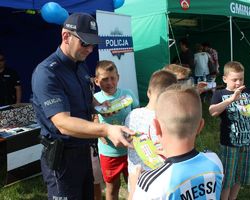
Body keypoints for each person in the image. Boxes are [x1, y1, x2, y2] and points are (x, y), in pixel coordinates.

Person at [31, 13, 134, 200]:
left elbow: (87, 98)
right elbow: (62, 122)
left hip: (85, 150)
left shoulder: (80, 65)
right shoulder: (47, 73)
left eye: (93, 44)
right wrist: (106, 129)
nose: (90, 49)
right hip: (62, 158)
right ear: (66, 37)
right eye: (85, 43)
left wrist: (102, 107)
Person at [129, 84, 224, 200]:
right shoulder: (214, 161)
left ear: (156, 128)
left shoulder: (149, 183)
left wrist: (134, 189)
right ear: (200, 126)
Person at [209, 61, 250, 200]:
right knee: (227, 178)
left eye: (241, 79)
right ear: (225, 79)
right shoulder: (220, 94)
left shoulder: (249, 92)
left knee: (240, 177)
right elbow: (212, 112)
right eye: (234, 80)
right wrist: (231, 99)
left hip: (247, 144)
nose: (238, 83)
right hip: (229, 145)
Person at [125, 69, 177, 196]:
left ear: (148, 92)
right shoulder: (170, 119)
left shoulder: (132, 115)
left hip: (136, 177)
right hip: (161, 178)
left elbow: (126, 140)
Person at [93, 60, 139, 200]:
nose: (109, 82)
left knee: (135, 186)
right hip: (109, 153)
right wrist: (99, 134)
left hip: (131, 150)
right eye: (105, 79)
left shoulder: (128, 94)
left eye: (113, 78)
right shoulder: (95, 99)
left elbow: (137, 114)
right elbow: (93, 120)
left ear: (118, 77)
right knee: (112, 188)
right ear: (96, 81)